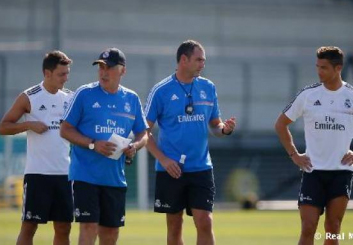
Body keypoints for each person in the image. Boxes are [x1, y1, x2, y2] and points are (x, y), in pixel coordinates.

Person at [275, 46, 353, 245]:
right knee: (308, 227)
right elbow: (281, 124)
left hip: (341, 172)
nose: (319, 71)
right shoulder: (308, 95)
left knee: (332, 228)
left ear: (338, 68)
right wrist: (294, 155)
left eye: (324, 67)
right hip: (312, 171)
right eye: (317, 66)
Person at [145, 40, 236, 245]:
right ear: (183, 60)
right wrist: (164, 160)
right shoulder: (161, 91)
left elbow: (215, 125)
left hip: (201, 167)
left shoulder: (208, 87)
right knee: (175, 225)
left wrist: (224, 129)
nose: (203, 64)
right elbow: (144, 133)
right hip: (171, 169)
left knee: (205, 221)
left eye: (204, 60)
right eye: (199, 59)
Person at [60, 47, 148, 245]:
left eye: (108, 67)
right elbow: (65, 130)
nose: (103, 72)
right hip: (85, 175)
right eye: (100, 67)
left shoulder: (131, 98)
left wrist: (135, 146)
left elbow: (144, 133)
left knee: (110, 234)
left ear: (122, 71)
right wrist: (93, 144)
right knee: (89, 227)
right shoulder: (84, 94)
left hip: (114, 179)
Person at [0, 51, 73, 245]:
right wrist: (29, 125)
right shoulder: (29, 97)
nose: (65, 78)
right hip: (37, 174)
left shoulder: (70, 98)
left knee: (64, 227)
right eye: (61, 74)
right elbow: (3, 126)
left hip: (65, 174)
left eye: (67, 73)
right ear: (47, 73)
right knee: (29, 226)